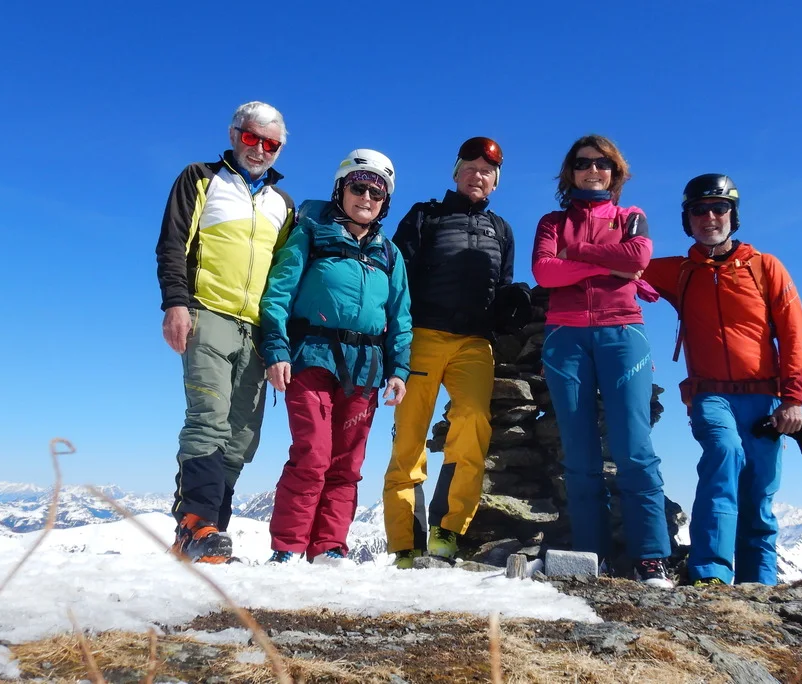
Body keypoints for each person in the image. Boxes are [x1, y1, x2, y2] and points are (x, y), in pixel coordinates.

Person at [641, 174, 802, 586]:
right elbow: (625, 264)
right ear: (687, 220)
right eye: (699, 210)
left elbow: (792, 332)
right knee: (725, 455)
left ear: (734, 216)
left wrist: (793, 398)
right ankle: (710, 575)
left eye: (719, 208)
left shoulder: (766, 268)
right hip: (710, 394)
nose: (709, 216)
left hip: (767, 398)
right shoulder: (680, 272)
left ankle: (759, 585)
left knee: (760, 491)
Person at [531, 134, 673, 588]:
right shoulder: (552, 221)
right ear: (569, 172)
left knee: (634, 446)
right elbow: (544, 271)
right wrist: (609, 265)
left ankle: (650, 557)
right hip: (565, 336)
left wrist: (579, 255)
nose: (593, 170)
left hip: (622, 330)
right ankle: (593, 554)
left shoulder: (632, 217)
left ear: (615, 172)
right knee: (578, 450)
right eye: (582, 163)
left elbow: (639, 258)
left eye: (602, 163)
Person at [156, 101, 295, 564]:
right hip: (207, 313)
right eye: (252, 138)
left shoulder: (283, 205)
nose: (260, 150)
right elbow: (173, 242)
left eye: (270, 143)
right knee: (208, 418)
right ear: (235, 134)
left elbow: (282, 276)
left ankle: (214, 531)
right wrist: (176, 302)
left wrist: (280, 339)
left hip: (257, 329)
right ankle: (194, 525)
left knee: (241, 436)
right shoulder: (201, 178)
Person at [260, 149, 412, 565]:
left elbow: (400, 316)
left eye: (376, 193)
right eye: (358, 187)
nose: (366, 197)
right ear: (341, 189)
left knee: (348, 463)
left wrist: (399, 369)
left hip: (366, 367)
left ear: (385, 203)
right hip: (311, 356)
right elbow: (277, 293)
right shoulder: (310, 234)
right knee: (312, 454)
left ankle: (329, 546)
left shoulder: (390, 254)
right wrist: (275, 348)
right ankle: (288, 547)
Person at [382, 137, 528, 568]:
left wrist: (511, 306)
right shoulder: (424, 215)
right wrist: (395, 336)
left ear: (495, 182)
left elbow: (503, 285)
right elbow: (397, 275)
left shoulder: (501, 230)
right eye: (471, 166)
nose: (478, 175)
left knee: (473, 424)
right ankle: (405, 545)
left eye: (487, 170)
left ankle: (448, 530)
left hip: (474, 343)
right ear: (456, 172)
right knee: (409, 436)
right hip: (423, 336)